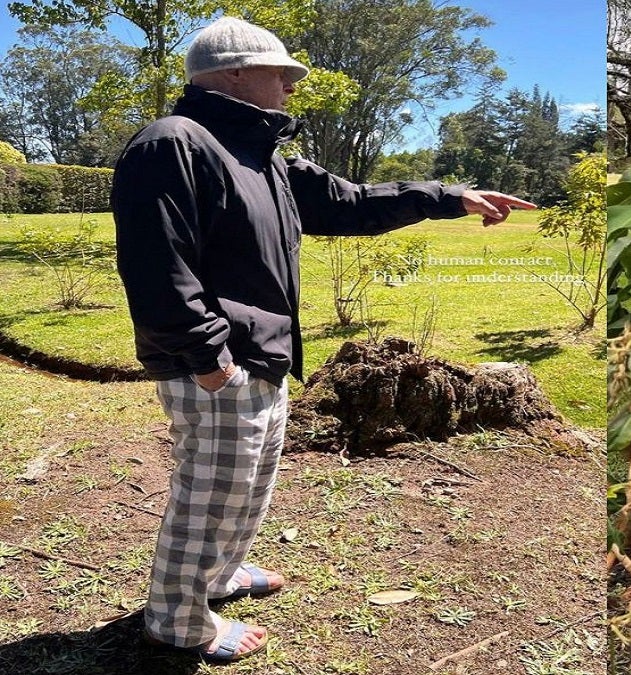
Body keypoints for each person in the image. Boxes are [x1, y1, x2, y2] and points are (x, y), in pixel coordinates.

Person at [111, 16, 535, 662]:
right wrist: (210, 362)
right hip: (217, 361)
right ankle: (175, 620)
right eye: (278, 72)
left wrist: (451, 198)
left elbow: (351, 202)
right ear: (231, 73)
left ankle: (219, 575)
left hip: (262, 355)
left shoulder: (264, 156)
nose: (289, 84)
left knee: (247, 486)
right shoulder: (175, 143)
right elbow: (156, 266)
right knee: (209, 493)